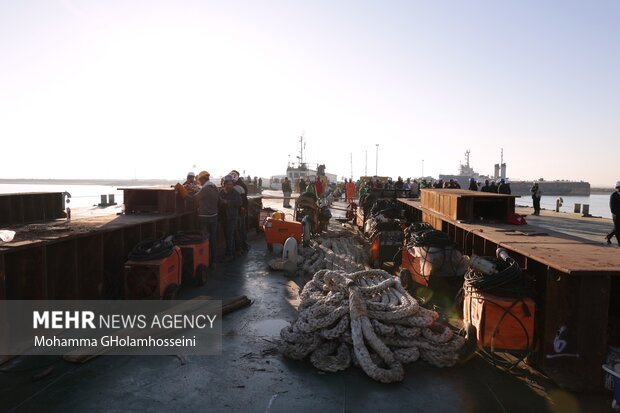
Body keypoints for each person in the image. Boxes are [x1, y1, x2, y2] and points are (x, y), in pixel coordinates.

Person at [191, 171, 219, 267]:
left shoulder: (205, 189)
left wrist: (184, 194)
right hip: (214, 216)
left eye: (200, 180)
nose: (200, 182)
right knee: (214, 239)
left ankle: (205, 261)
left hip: (205, 218)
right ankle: (214, 260)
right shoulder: (214, 187)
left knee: (204, 240)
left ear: (203, 179)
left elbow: (193, 199)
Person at [219, 175, 242, 261]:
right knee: (227, 235)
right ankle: (232, 252)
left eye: (230, 184)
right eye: (227, 184)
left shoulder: (234, 192)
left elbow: (239, 202)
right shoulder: (221, 192)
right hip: (224, 217)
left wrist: (227, 202)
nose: (229, 186)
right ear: (224, 184)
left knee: (229, 236)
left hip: (232, 217)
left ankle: (230, 254)